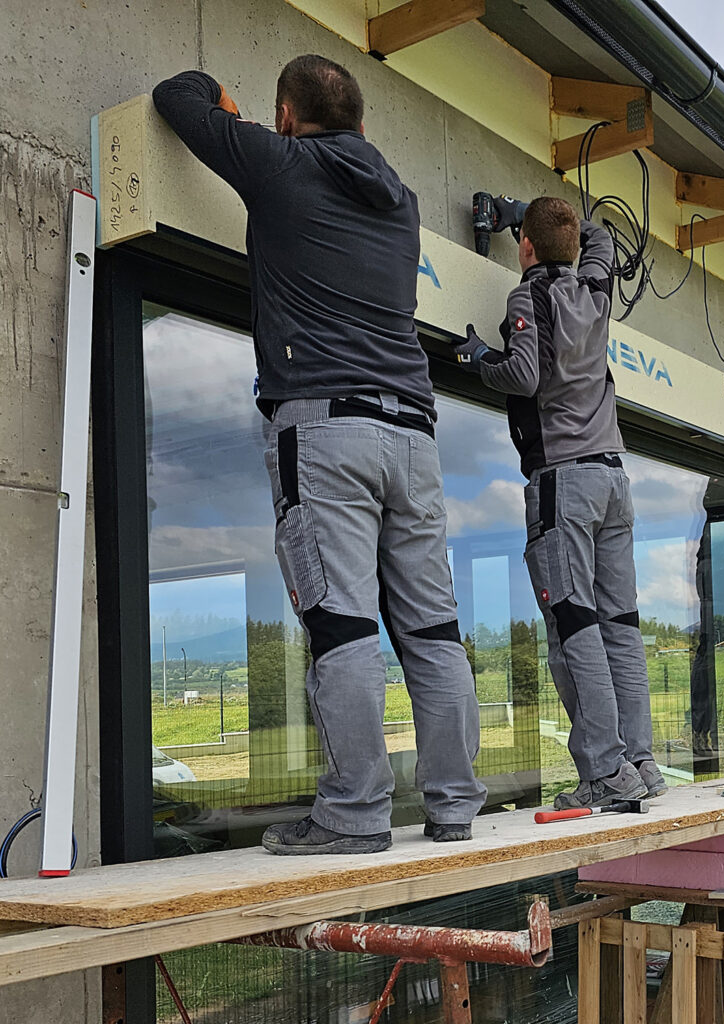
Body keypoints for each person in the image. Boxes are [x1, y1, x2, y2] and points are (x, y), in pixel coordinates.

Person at [153, 56, 487, 854]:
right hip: (413, 432)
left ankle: (354, 816)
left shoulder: (278, 162)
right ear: (365, 127)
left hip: (326, 428)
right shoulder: (400, 199)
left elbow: (179, 97)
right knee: (433, 630)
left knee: (341, 626)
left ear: (287, 117)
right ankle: (453, 809)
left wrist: (230, 107)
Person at [453, 196, 665, 808]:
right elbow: (594, 241)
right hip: (611, 478)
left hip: (562, 482)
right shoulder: (595, 289)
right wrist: (528, 213)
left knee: (574, 625)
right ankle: (640, 762)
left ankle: (604, 774)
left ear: (524, 248)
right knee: (620, 626)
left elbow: (522, 376)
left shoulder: (529, 296)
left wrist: (478, 358)